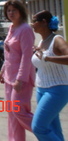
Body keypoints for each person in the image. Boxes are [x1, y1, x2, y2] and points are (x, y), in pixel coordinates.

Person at [0, 0, 35, 141]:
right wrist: (3, 70)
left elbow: (27, 56)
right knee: (11, 114)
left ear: (21, 12)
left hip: (21, 79)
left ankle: (46, 131)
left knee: (19, 111)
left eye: (14, 10)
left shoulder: (25, 29)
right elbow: (9, 53)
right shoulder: (11, 28)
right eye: (8, 10)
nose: (11, 13)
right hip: (9, 76)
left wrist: (20, 79)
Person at [31, 10, 68, 141]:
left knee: (38, 127)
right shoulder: (41, 42)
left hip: (57, 89)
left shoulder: (57, 40)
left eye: (34, 21)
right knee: (53, 128)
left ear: (44, 22)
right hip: (41, 89)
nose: (32, 24)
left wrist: (47, 57)